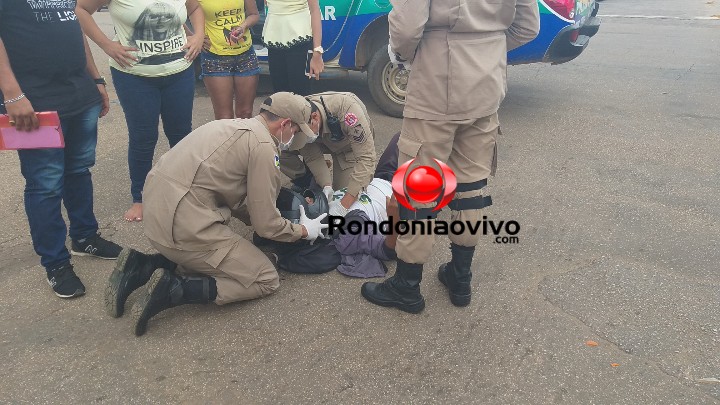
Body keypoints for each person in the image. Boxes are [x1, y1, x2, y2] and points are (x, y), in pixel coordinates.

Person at [361, 0, 540, 313]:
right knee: (472, 186)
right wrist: (486, 46)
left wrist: (404, 56)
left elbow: (406, 28)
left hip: (436, 81)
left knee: (419, 189)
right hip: (486, 83)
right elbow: (527, 27)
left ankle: (407, 285)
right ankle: (460, 277)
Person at [103, 92, 327, 336]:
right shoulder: (264, 147)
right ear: (284, 124)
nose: (294, 137)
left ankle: (143, 266)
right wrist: (303, 230)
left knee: (217, 255)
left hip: (156, 216)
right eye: (295, 131)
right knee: (264, 278)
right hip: (181, 226)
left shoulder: (228, 125)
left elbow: (237, 198)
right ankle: (174, 289)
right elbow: (266, 225)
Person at [0, 0, 123, 298]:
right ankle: (55, 262)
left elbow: (73, 27)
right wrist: (13, 95)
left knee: (79, 170)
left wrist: (95, 77)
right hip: (34, 100)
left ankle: (84, 237)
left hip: (78, 92)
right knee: (45, 184)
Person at [76, 0, 205, 222]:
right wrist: (106, 44)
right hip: (134, 76)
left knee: (181, 134)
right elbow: (80, 10)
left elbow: (194, 8)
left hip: (180, 72)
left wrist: (199, 35)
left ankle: (186, 193)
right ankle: (141, 198)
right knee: (143, 137)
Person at [279, 91, 378, 217]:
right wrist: (326, 185)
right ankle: (307, 182)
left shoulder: (348, 111)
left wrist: (343, 205)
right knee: (280, 150)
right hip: (321, 142)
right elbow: (312, 156)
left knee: (346, 198)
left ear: (315, 118)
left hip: (348, 150)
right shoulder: (299, 114)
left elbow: (366, 158)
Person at [198, 0, 261, 119]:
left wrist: (243, 26)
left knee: (246, 113)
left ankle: (245, 138)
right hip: (215, 57)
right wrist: (193, 36)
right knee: (224, 116)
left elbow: (254, 14)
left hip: (245, 55)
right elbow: (177, 13)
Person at [262, 0, 324, 95]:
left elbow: (315, 10)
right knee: (279, 96)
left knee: (301, 96)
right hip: (274, 41)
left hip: (301, 40)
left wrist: (317, 52)